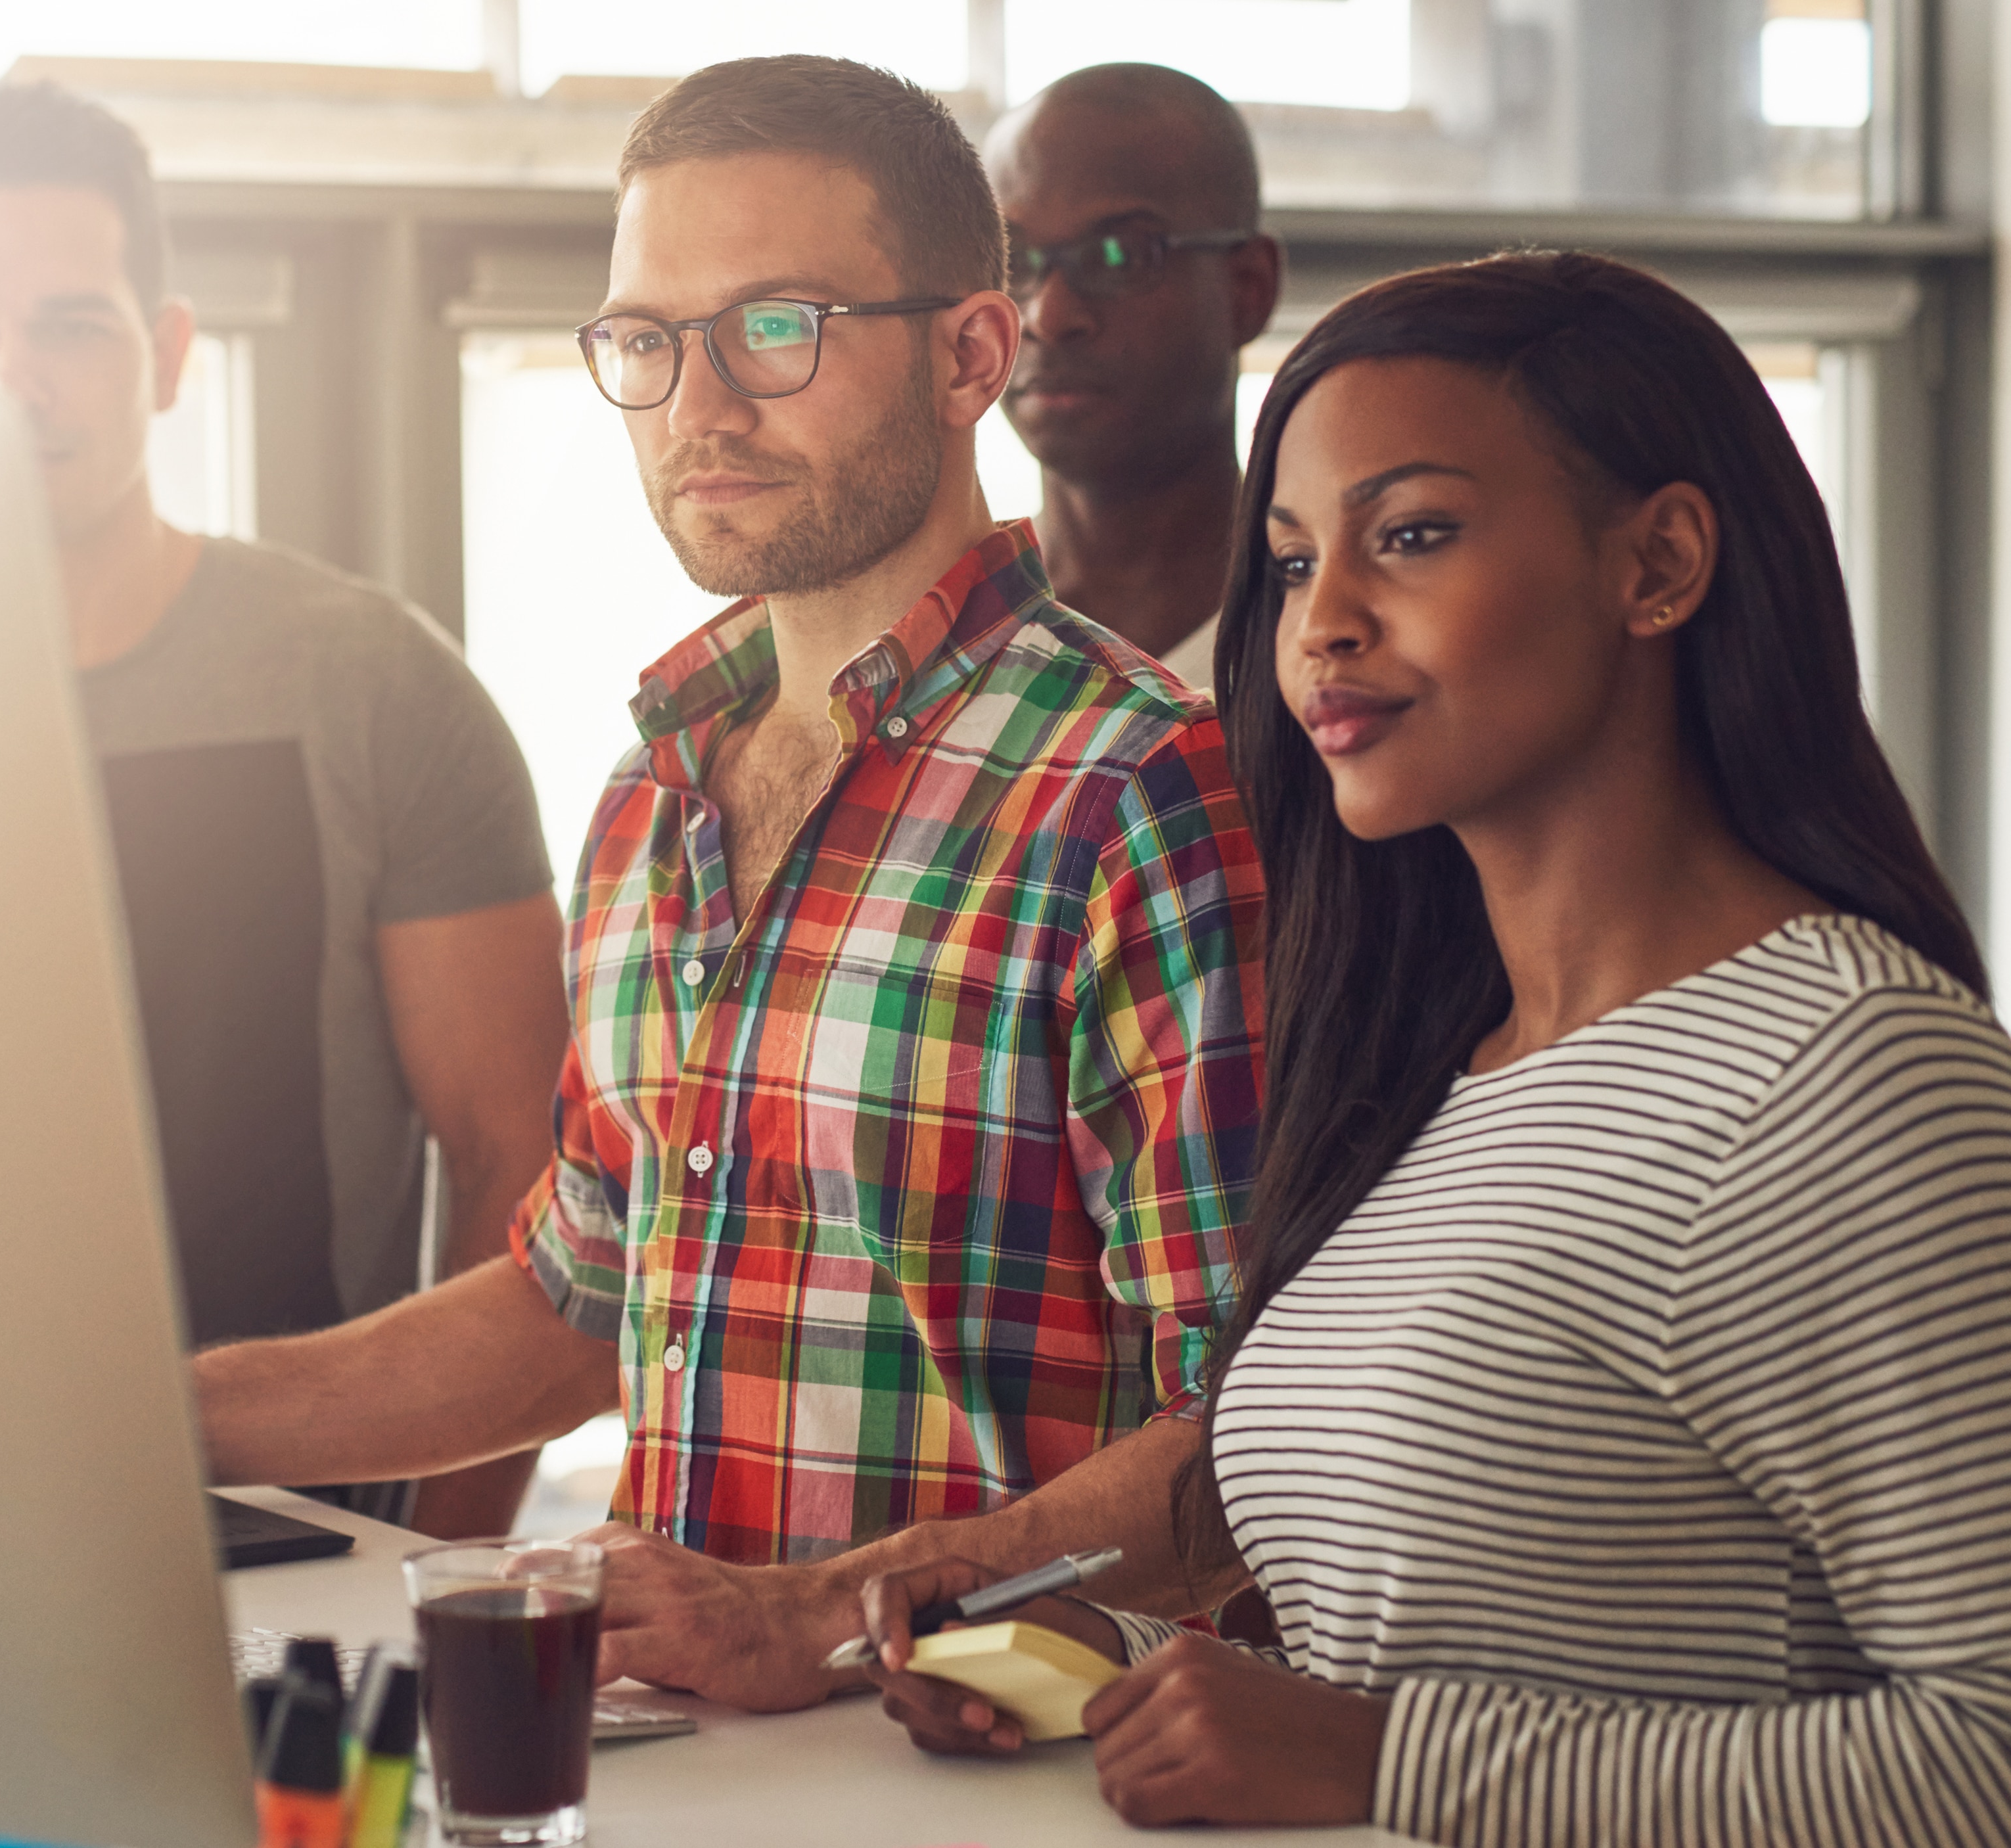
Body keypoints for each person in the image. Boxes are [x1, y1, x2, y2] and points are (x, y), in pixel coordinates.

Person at [858, 252, 2011, 1844]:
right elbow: (1416, 1674)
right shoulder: (1432, 1077)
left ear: (1659, 562)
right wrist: (1092, 1671)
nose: (1320, 621)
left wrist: (1377, 1759)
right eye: (1285, 564)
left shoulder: (1848, 1071)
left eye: (1410, 535)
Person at [192, 55, 1262, 1710]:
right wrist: (159, 1410)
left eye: (776, 327)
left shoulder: (1135, 787)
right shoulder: (649, 794)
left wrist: (809, 1615)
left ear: (972, 351)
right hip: (660, 1768)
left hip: (978, 1789)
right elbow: (583, 1295)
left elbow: (1252, 1441)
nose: (700, 405)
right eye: (646, 339)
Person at [0, 83, 568, 1539]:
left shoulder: (371, 685)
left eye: (70, 324)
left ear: (167, 355)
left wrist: (433, 1567)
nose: (13, 378)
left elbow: (527, 1176)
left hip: (292, 1545)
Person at [985, 64, 1282, 685]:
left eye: (1119, 254)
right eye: (1009, 261)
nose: (1050, 314)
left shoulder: (1337, 632)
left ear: (1247, 290)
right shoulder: (950, 639)